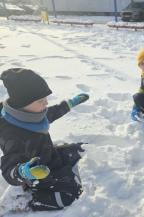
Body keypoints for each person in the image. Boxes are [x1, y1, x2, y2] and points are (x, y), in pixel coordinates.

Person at [0, 68, 89, 211]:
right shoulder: (12, 134)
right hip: (38, 173)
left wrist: (70, 104)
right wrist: (24, 172)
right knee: (69, 195)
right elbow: (8, 169)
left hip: (48, 154)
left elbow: (51, 113)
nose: (46, 103)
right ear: (23, 103)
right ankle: (24, 201)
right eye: (41, 100)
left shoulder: (33, 113)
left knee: (80, 149)